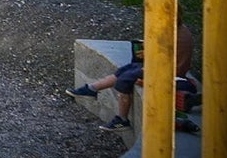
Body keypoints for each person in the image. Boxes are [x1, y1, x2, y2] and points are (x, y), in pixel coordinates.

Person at [67, 18, 197, 131]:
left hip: (169, 73)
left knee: (125, 80)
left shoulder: (173, 33)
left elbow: (164, 60)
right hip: (163, 68)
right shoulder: (176, 28)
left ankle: (122, 119)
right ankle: (92, 89)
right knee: (129, 68)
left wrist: (147, 54)